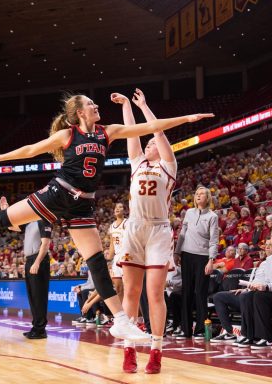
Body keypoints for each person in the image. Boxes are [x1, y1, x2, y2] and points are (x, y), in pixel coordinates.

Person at [0, 93, 212, 342]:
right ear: (78, 113)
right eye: (90, 103)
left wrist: (186, 119)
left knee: (97, 262)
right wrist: (0, 158)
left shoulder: (107, 131)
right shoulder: (68, 135)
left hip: (82, 205)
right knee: (2, 219)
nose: (96, 105)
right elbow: (30, 150)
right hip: (57, 194)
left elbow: (149, 126)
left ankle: (121, 321)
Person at [113, 89, 177, 374]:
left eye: (153, 141)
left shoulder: (168, 166)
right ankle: (129, 349)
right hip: (135, 228)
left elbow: (159, 132)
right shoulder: (137, 162)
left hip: (158, 231)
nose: (150, 142)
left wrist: (145, 106)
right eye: (148, 141)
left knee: (154, 294)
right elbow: (131, 134)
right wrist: (127, 105)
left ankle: (156, 351)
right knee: (131, 291)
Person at [211, 228, 272, 348]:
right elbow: (265, 280)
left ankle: (267, 337)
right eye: (271, 236)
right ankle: (248, 335)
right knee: (249, 295)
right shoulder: (270, 259)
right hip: (270, 292)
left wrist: (266, 286)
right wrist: (252, 287)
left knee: (258, 296)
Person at [174, 186, 219, 340]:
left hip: (202, 258)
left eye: (202, 194)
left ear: (208, 198)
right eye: (197, 193)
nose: (198, 196)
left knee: (200, 293)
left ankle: (199, 329)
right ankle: (185, 329)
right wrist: (177, 252)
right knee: (186, 292)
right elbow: (182, 233)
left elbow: (214, 240)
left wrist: (211, 260)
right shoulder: (189, 213)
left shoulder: (212, 216)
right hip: (186, 255)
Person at [14, 195, 53, 340]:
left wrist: (37, 262)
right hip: (29, 260)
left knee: (39, 296)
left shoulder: (44, 220)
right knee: (32, 296)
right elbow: (12, 226)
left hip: (39, 260)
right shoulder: (29, 222)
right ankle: (36, 326)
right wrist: (5, 210)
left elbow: (45, 244)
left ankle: (40, 329)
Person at [107, 202, 127, 302]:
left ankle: (137, 316)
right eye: (115, 207)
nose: (117, 208)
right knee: (118, 288)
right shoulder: (112, 226)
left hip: (127, 256)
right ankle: (122, 314)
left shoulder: (127, 223)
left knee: (128, 288)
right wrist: (108, 260)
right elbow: (112, 245)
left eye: (120, 207)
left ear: (125, 210)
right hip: (117, 257)